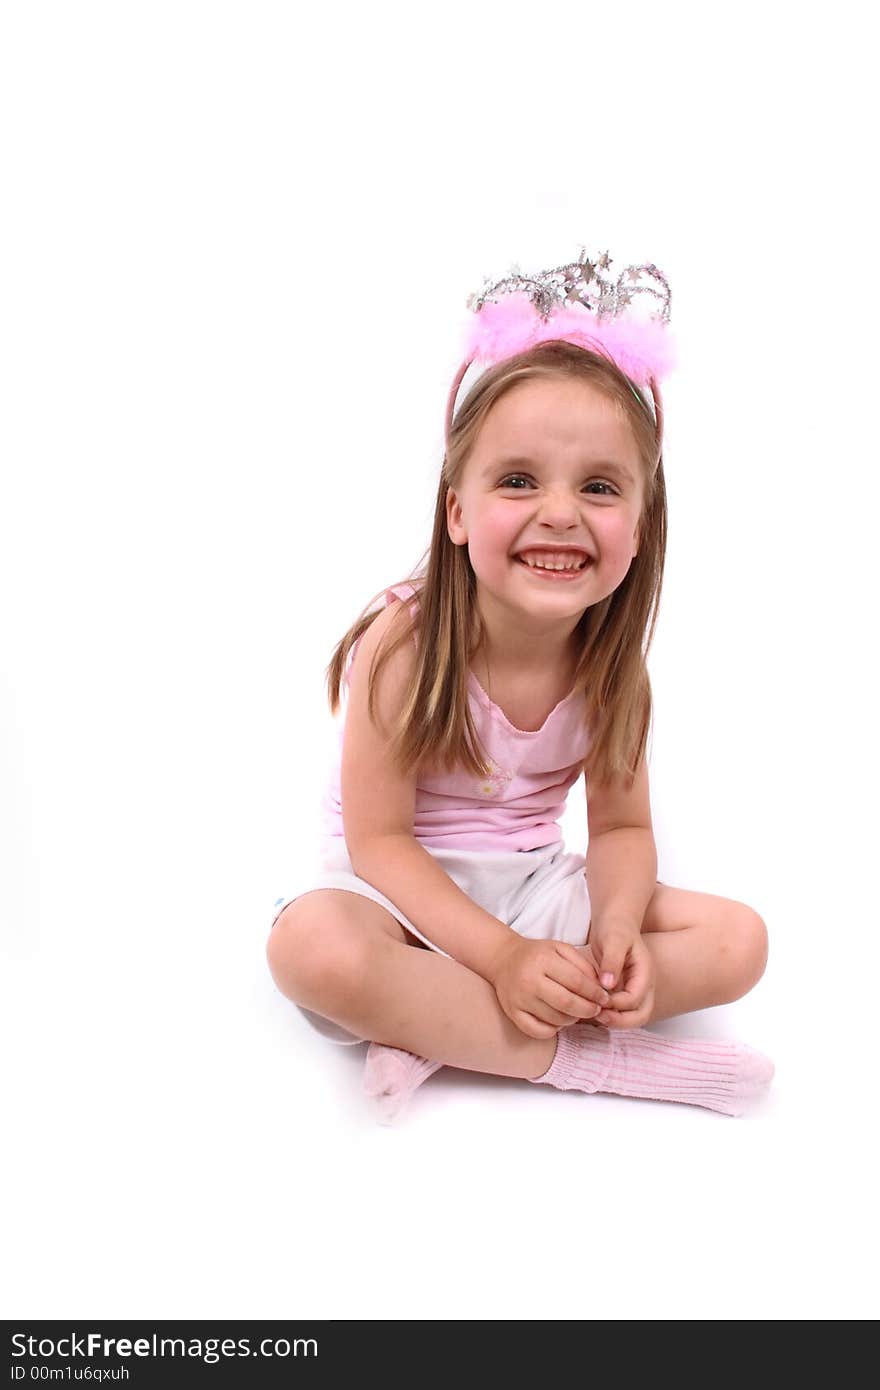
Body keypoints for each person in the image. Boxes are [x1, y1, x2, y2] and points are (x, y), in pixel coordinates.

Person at [266, 249, 774, 1123]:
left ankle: (441, 1025)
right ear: (456, 511)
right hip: (394, 899)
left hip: (530, 887)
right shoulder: (405, 645)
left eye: (601, 487)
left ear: (641, 526)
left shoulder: (611, 669)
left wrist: (614, 928)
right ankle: (593, 1065)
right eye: (517, 480)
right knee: (312, 953)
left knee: (740, 941)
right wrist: (500, 959)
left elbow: (621, 828)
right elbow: (382, 844)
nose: (561, 512)